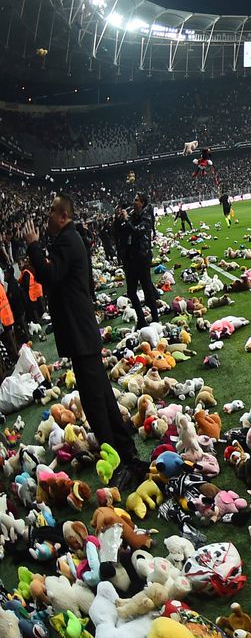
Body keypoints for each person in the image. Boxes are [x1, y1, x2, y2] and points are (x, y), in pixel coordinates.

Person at [24, 194, 147, 485]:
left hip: (79, 332)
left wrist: (32, 245)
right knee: (101, 397)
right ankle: (126, 454)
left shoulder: (68, 240)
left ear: (64, 215)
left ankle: (118, 461)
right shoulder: (70, 238)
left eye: (52, 211)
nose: (48, 216)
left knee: (95, 403)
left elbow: (50, 275)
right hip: (81, 331)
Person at [113, 194, 159, 330]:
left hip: (142, 257)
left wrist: (126, 221)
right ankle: (141, 319)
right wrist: (119, 220)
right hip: (129, 258)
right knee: (131, 291)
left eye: (136, 200)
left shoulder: (146, 216)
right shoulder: (132, 215)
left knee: (146, 288)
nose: (134, 203)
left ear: (143, 203)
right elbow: (119, 233)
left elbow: (137, 232)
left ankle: (155, 318)